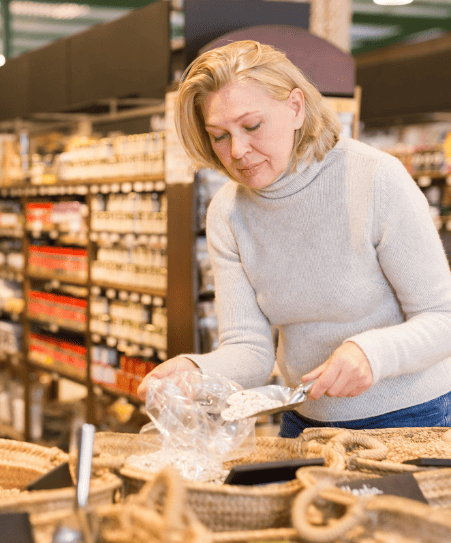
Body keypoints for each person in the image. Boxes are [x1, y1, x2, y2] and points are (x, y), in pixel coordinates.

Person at [137, 40, 451, 437]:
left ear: (296, 108)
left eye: (252, 126)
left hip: (414, 417)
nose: (237, 151)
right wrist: (195, 370)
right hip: (305, 423)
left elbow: (443, 318)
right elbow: (250, 350)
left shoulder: (375, 179)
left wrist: (372, 354)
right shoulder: (227, 213)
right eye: (219, 136)